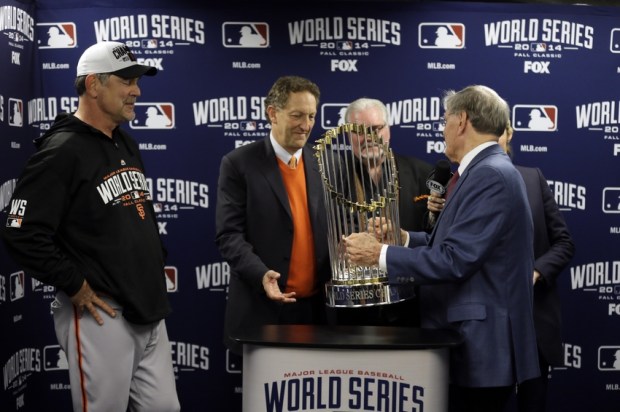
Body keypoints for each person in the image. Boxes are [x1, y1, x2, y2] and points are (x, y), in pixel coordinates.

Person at [1, 41, 180, 412]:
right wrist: (75, 285)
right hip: (101, 311)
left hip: (146, 307)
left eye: (137, 81)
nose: (137, 90)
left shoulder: (125, 142)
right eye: (126, 80)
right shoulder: (61, 149)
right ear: (94, 85)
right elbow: (20, 229)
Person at [343, 85, 540, 412]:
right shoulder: (481, 170)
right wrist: (402, 239)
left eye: (446, 119)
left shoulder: (489, 174)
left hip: (481, 349)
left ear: (462, 121)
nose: (442, 128)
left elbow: (455, 260)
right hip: (470, 344)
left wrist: (378, 255)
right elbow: (456, 244)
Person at [428, 122, 575, 412]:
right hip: (484, 326)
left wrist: (535, 271)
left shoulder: (532, 179)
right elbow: (452, 245)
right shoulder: (459, 182)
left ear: (508, 134)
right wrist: (433, 218)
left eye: (502, 131)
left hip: (531, 319)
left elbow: (564, 242)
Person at [216, 75, 331, 355]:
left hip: (317, 315)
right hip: (262, 312)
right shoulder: (239, 164)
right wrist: (262, 274)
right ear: (272, 113)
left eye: (312, 116)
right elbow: (229, 235)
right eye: (297, 115)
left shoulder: (327, 162)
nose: (306, 125)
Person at [335, 97, 433, 326]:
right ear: (349, 134)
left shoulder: (423, 173)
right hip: (352, 309)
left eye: (377, 128)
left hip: (412, 307)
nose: (370, 137)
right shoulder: (331, 176)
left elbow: (436, 237)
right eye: (361, 130)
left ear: (388, 130)